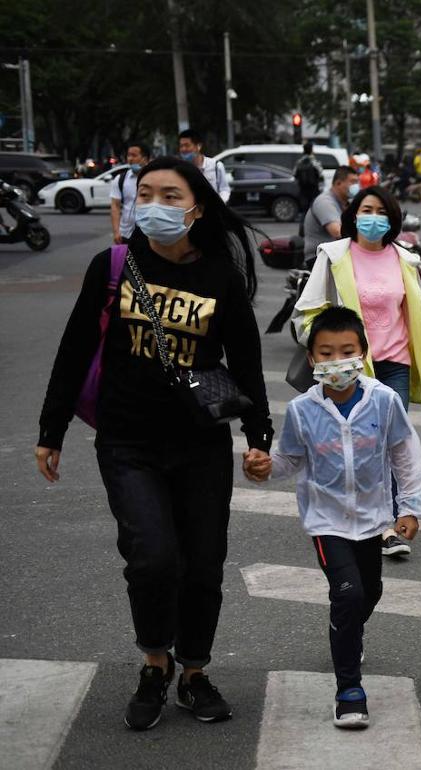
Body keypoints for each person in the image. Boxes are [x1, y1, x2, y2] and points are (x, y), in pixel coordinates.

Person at [36, 156, 272, 730]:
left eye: (171, 195)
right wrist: (52, 429)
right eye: (146, 194)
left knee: (203, 564)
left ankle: (193, 672)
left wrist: (258, 436)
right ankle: (153, 662)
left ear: (196, 207)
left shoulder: (220, 274)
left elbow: (245, 360)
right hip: (127, 439)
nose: (156, 206)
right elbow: (73, 349)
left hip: (200, 443)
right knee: (152, 557)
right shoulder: (112, 265)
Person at [245, 306, 421, 729]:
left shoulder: (384, 401)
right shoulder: (303, 410)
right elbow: (290, 458)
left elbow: (405, 453)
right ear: (311, 359)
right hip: (326, 520)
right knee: (346, 595)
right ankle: (349, 690)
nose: (336, 361)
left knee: (368, 594)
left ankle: (348, 634)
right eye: (325, 353)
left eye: (346, 351)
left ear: (363, 353)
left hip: (373, 517)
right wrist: (267, 467)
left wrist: (411, 508)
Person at [294, 185, 421, 560]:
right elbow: (307, 312)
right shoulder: (334, 255)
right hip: (351, 367)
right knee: (359, 444)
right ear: (354, 214)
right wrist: (324, 350)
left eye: (382, 212)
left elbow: (418, 317)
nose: (374, 217)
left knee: (391, 441)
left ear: (392, 220)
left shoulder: (405, 259)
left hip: (395, 364)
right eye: (367, 209)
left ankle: (389, 526)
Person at [302, 167, 360, 264]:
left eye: (357, 182)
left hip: (337, 254)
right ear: (338, 183)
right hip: (319, 257)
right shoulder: (324, 201)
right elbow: (338, 232)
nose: (356, 186)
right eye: (353, 182)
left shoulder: (347, 203)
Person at [110, 140, 150, 244]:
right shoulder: (120, 179)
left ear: (145, 159)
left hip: (150, 235)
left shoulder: (154, 179)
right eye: (128, 155)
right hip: (125, 235)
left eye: (134, 155)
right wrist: (116, 231)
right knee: (126, 260)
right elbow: (115, 206)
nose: (130, 159)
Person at [177, 129, 230, 203]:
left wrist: (219, 203)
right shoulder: (180, 170)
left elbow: (224, 189)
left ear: (198, 146)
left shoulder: (216, 166)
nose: (183, 149)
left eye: (187, 145)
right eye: (181, 146)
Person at [293, 141, 324, 215]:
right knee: (314, 209)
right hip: (314, 189)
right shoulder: (314, 161)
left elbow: (294, 174)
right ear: (311, 150)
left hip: (303, 189)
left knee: (304, 210)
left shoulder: (299, 162)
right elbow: (321, 173)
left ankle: (302, 225)